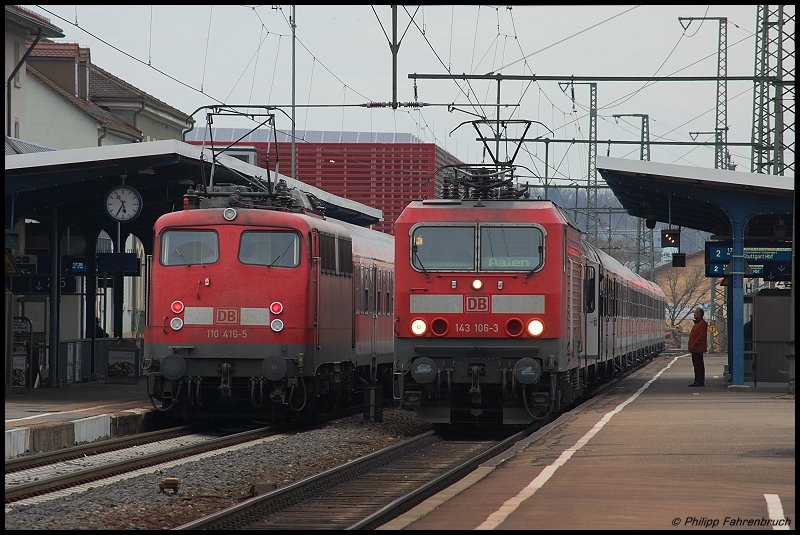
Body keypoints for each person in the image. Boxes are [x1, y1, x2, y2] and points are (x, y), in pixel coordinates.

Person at [687, 307, 708, 387]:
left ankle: (700, 381)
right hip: (695, 348)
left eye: (696, 313)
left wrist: (694, 345)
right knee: (696, 365)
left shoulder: (702, 324)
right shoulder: (697, 323)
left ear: (700, 314)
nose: (694, 314)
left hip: (698, 348)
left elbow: (701, 336)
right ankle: (697, 380)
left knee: (698, 365)